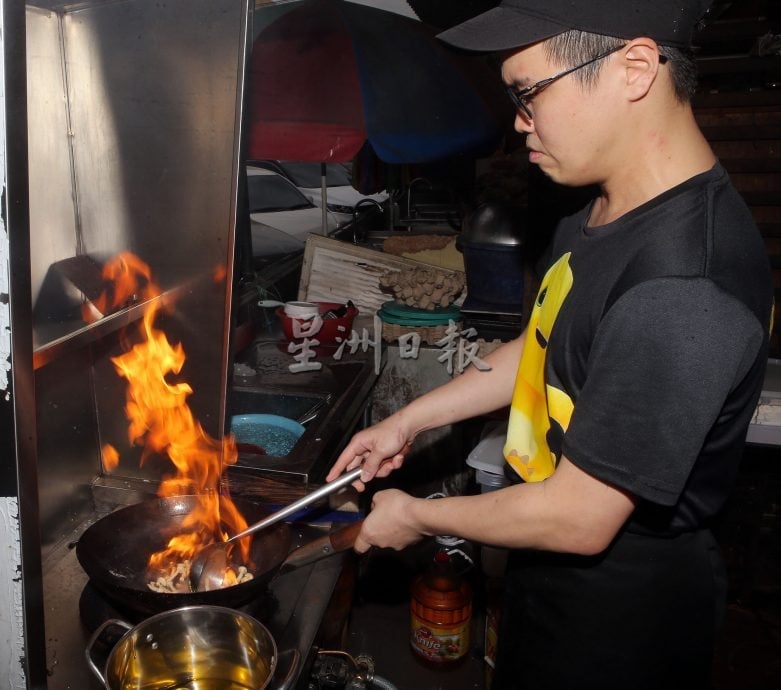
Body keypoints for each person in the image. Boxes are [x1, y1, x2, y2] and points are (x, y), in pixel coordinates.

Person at [326, 1, 774, 688]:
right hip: (542, 562)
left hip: (621, 609)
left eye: (528, 93)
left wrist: (416, 514)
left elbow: (579, 518)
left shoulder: (683, 285)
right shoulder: (593, 206)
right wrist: (407, 421)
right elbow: (543, 347)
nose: (517, 121)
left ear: (633, 68)